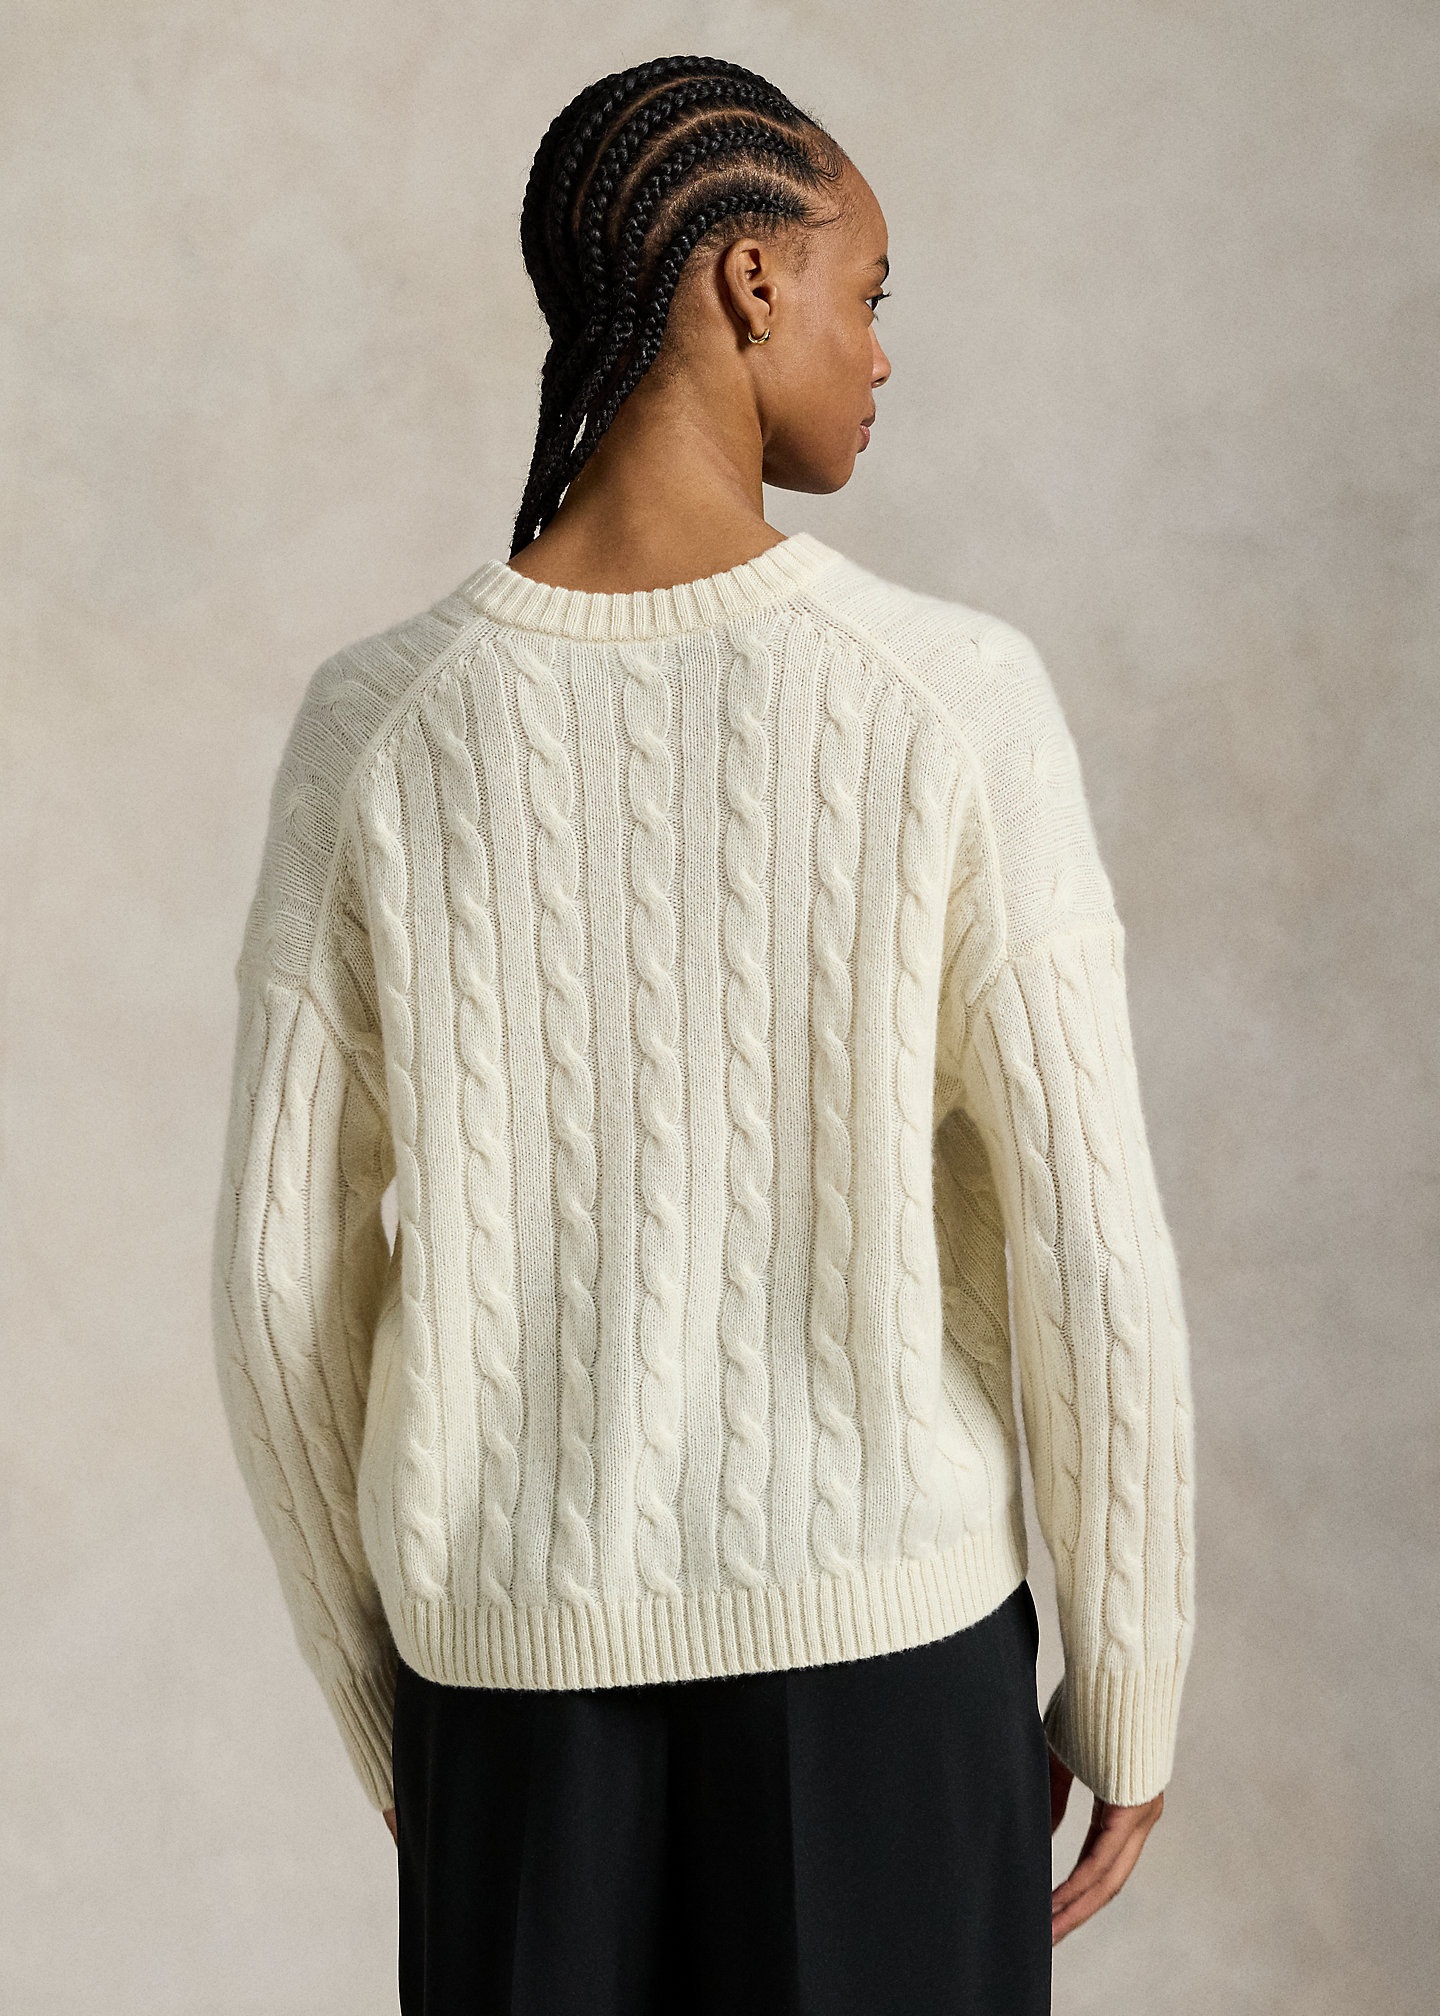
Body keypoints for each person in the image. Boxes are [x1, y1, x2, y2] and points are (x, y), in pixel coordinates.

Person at [210, 53, 1197, 2016]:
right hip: (890, 1686)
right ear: (752, 280)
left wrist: (395, 1710)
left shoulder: (380, 727)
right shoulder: (948, 700)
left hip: (512, 1705)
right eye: (867, 290)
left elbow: (274, 1283)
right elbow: (1091, 1245)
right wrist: (1132, 1677)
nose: (881, 352)